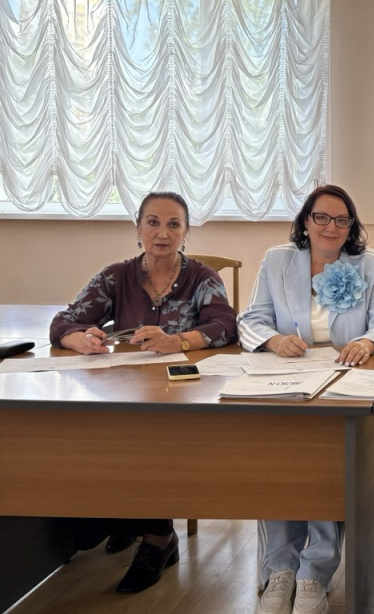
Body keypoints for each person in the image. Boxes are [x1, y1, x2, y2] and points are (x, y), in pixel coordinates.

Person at [49, 191, 239, 593]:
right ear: (138, 228)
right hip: (127, 390)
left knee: (152, 432)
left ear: (185, 232)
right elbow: (63, 321)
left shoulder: (202, 278)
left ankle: (157, 537)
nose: (162, 233)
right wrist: (79, 338)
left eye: (173, 224)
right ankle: (125, 516)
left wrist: (179, 340)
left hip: (187, 393)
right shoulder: (116, 276)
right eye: (153, 223)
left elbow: (225, 326)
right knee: (88, 428)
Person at [238, 184, 374, 614]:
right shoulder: (277, 260)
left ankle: (315, 572)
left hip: (343, 385)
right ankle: (280, 568)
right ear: (306, 222)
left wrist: (367, 342)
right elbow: (251, 319)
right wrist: (273, 340)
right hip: (285, 384)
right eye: (322, 217)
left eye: (342, 220)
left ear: (351, 227)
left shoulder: (370, 264)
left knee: (329, 466)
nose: (331, 227)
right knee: (277, 466)